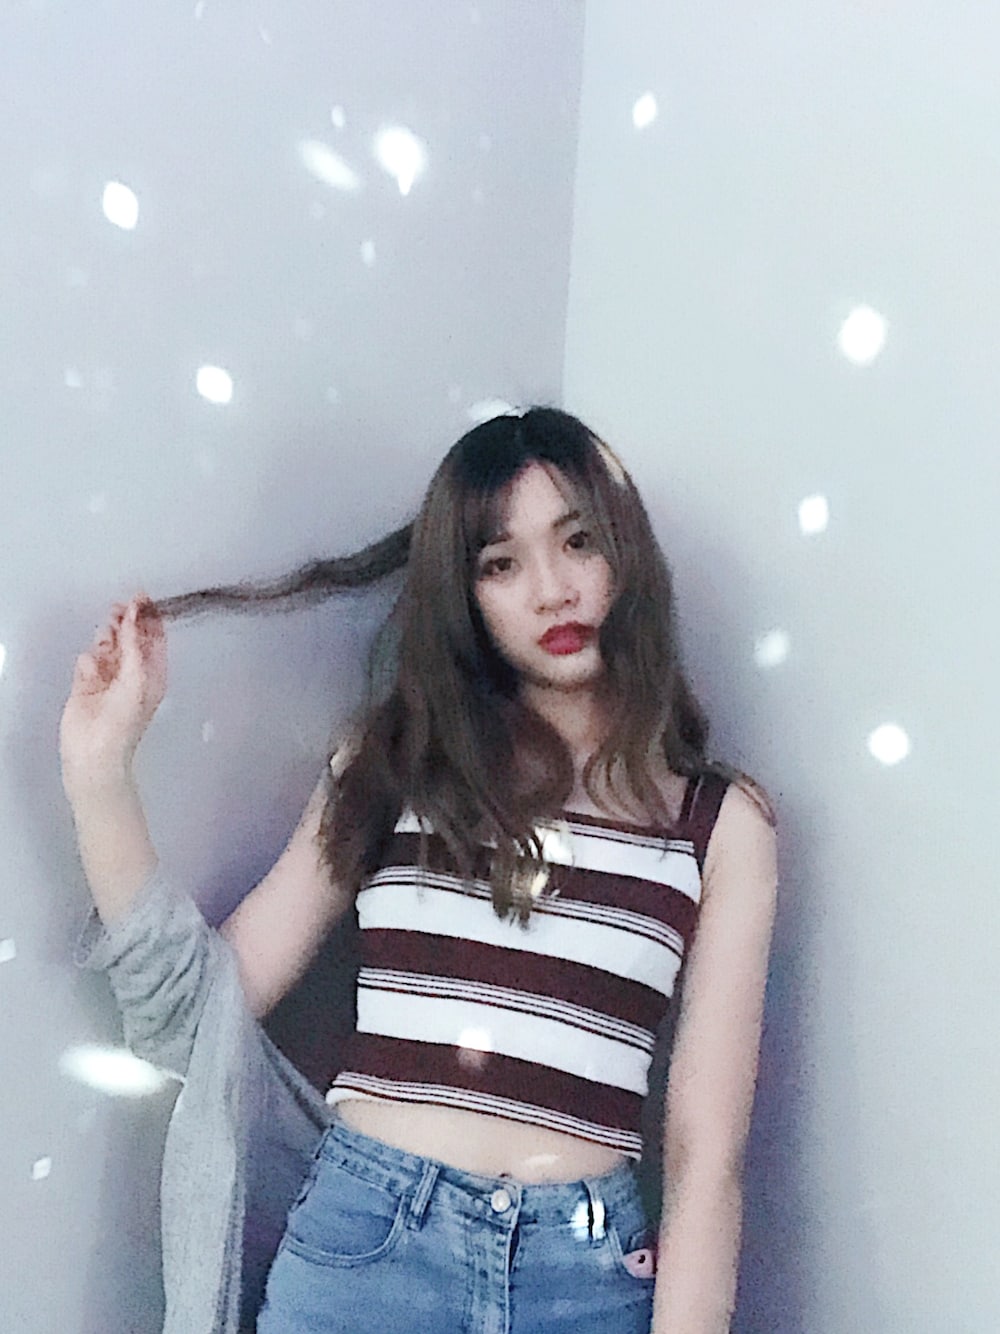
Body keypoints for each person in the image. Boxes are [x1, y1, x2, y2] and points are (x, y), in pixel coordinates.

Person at [60, 407, 778, 1333]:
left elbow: (707, 1158)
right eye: (501, 564)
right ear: (466, 596)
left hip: (584, 1279)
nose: (552, 591)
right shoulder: (396, 768)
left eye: (578, 542)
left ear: (625, 552)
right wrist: (100, 776)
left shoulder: (720, 826)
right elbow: (194, 1025)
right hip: (368, 1253)